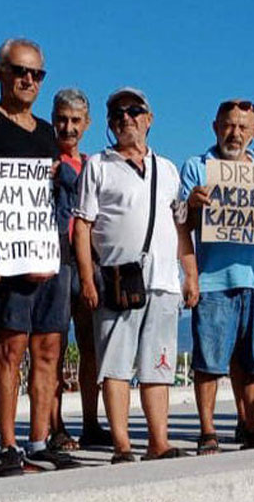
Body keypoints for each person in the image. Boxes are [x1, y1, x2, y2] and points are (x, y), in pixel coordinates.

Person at [0, 38, 79, 475]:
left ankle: (40, 440)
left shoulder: (48, 134)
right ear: (0, 73)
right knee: (11, 349)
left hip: (51, 258)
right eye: (20, 71)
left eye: (36, 74)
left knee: (48, 349)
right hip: (10, 262)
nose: (28, 80)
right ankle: (8, 446)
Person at [74, 86, 199, 462]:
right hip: (117, 276)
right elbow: (82, 225)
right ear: (110, 123)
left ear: (149, 118)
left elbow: (179, 227)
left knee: (158, 365)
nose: (126, 118)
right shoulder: (99, 165)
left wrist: (189, 273)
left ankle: (158, 441)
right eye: (118, 113)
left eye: (134, 111)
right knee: (115, 362)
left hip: (162, 280)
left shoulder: (168, 169)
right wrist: (86, 277)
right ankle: (122, 444)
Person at [181, 99, 254, 451]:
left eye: (243, 127)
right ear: (215, 126)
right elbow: (182, 224)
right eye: (229, 125)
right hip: (213, 279)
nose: (235, 133)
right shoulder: (196, 167)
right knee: (209, 361)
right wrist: (193, 206)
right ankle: (208, 431)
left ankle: (252, 427)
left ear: (253, 133)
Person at [47, 87, 108, 451]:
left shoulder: (92, 165)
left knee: (90, 348)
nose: (68, 128)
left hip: (88, 262)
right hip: (53, 260)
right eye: (62, 120)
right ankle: (53, 425)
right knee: (51, 347)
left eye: (75, 121)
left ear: (86, 124)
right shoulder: (43, 159)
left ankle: (90, 422)